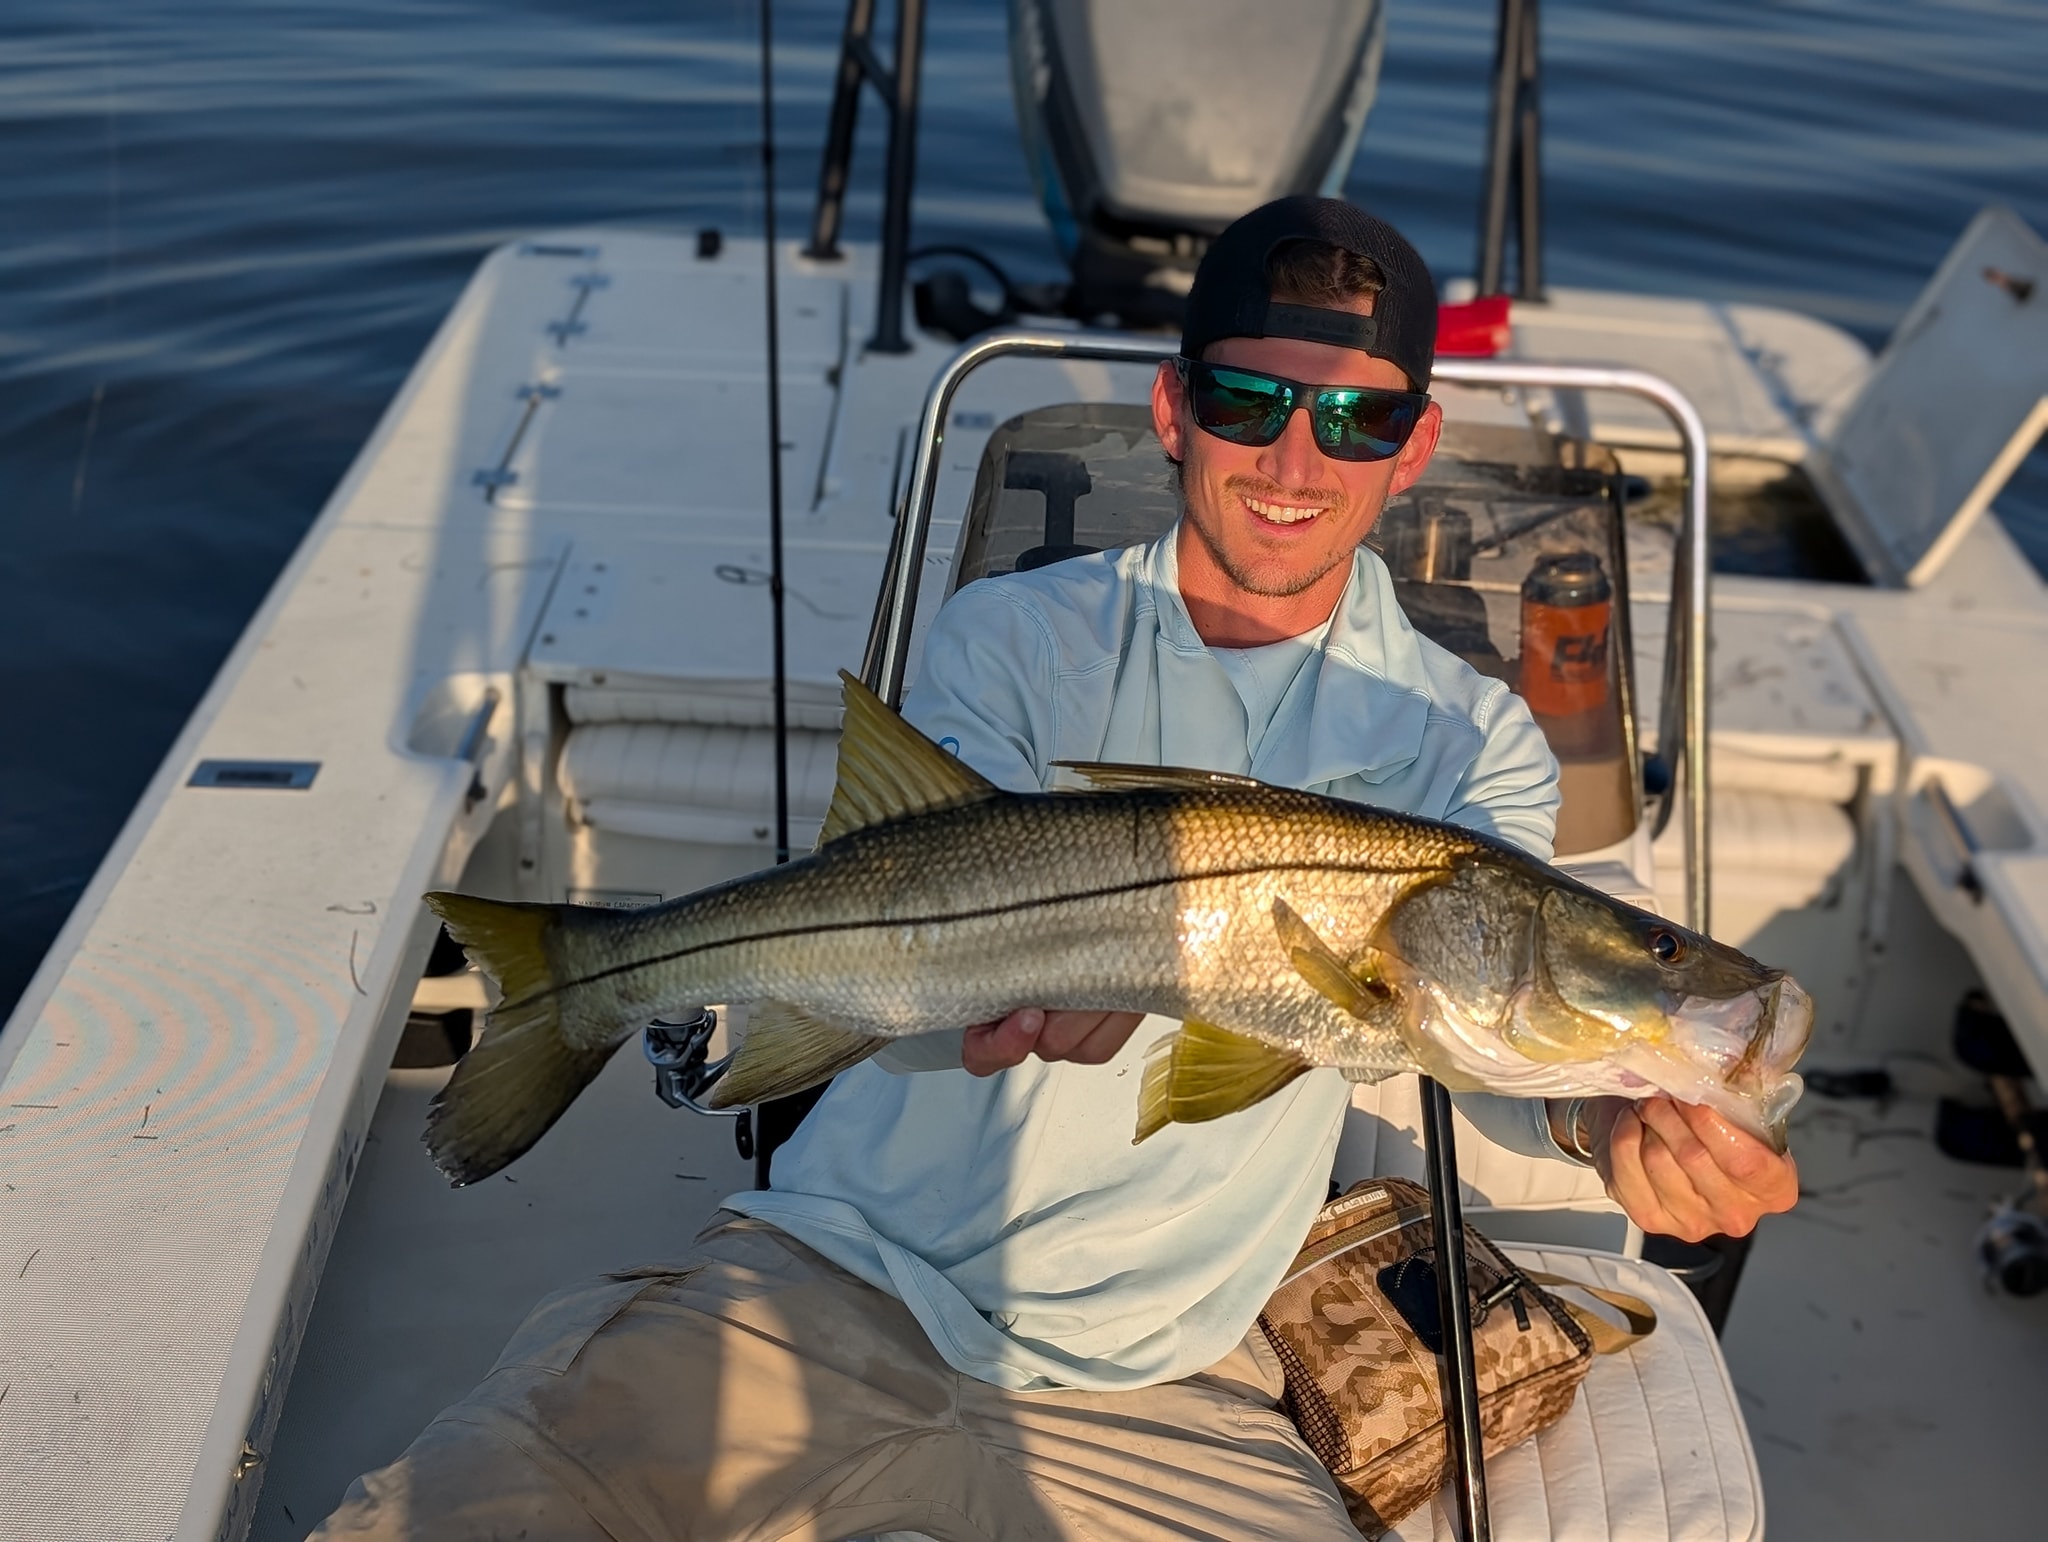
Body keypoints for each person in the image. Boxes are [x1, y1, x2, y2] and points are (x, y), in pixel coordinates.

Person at [314, 197, 1796, 1541]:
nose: (1296, 460)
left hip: (1181, 1379)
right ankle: (577, 975)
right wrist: (1034, 976)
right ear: (1174, 409)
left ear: (1415, 444)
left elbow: (1480, 1037)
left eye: (1357, 418)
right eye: (1248, 400)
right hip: (842, 1279)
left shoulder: (1475, 747)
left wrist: (1610, 1126)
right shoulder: (1015, 635)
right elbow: (923, 908)